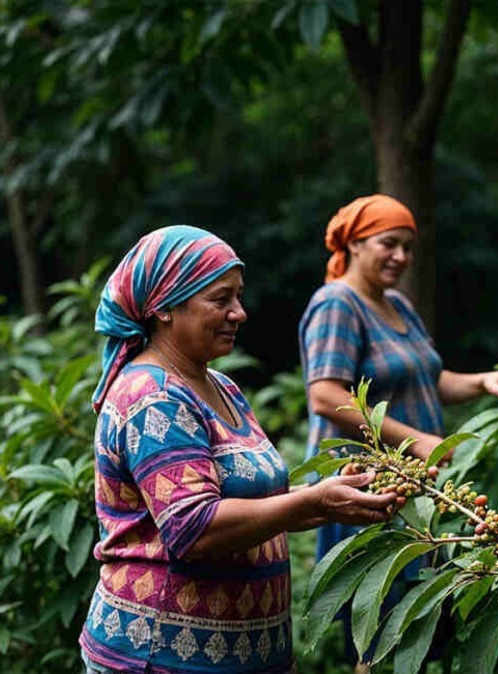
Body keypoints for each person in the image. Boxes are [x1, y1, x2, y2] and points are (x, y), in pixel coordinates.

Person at [80, 226, 396, 674]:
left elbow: (263, 507)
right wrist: (315, 500)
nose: (239, 313)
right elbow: (195, 529)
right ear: (166, 307)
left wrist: (336, 500)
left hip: (241, 658)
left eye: (238, 297)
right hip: (161, 657)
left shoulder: (219, 385)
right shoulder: (153, 395)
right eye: (221, 299)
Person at [297, 194, 498, 665]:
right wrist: (420, 443)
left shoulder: (396, 303)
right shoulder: (338, 303)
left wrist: (482, 381)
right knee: (380, 630)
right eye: (388, 243)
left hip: (418, 490)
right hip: (372, 491)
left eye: (408, 247)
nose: (400, 256)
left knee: (424, 625)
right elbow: (326, 396)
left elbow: (428, 378)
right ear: (355, 244)